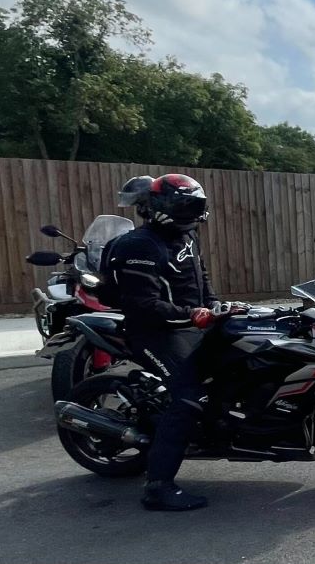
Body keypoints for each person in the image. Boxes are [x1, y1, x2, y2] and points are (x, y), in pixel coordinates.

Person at [104, 174, 221, 512]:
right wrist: (193, 314)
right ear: (160, 206)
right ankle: (158, 487)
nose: (191, 213)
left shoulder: (187, 235)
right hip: (154, 332)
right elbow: (143, 305)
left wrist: (215, 305)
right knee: (188, 397)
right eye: (184, 206)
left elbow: (200, 278)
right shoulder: (139, 245)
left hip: (189, 325)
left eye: (195, 206)